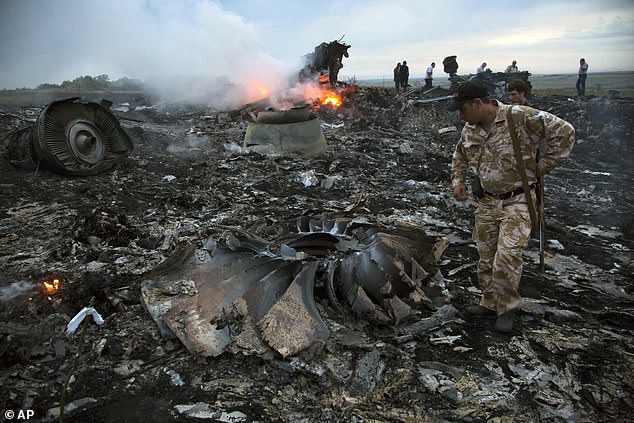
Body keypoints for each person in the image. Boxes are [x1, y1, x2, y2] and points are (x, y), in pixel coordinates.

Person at [448, 81, 575, 333]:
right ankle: (489, 301)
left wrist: (542, 167)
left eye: (462, 109)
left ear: (477, 103)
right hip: (486, 201)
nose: (460, 115)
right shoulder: (470, 128)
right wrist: (458, 181)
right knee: (485, 256)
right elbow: (460, 154)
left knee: (507, 255)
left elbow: (565, 132)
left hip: (517, 199)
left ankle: (507, 308)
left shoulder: (518, 116)